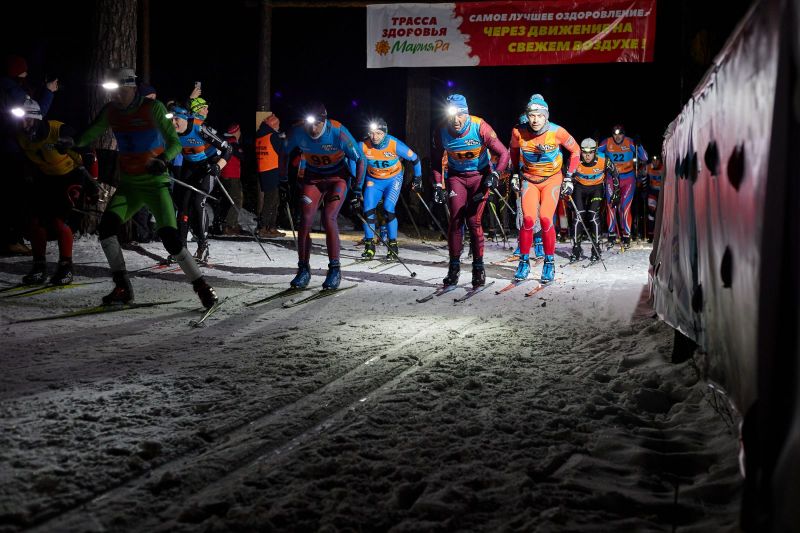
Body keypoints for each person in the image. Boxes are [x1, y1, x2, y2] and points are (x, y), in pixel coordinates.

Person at [75, 67, 217, 309]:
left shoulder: (153, 108)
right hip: (129, 186)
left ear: (131, 88)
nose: (115, 96)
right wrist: (69, 141)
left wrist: (163, 160)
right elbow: (89, 134)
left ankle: (202, 287)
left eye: (119, 91)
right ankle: (122, 287)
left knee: (171, 239)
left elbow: (174, 143)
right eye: (112, 92)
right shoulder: (111, 111)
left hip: (154, 184)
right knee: (106, 229)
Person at [426, 94, 509, 288]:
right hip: (456, 177)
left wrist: (495, 174)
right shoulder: (441, 131)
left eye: (460, 115)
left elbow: (503, 153)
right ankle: (453, 268)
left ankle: (478, 268)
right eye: (451, 115)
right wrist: (438, 185)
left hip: (479, 177)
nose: (456, 120)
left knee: (473, 221)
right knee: (455, 221)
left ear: (467, 113)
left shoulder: (480, 126)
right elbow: (436, 161)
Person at [14, 98, 99, 284]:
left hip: (71, 176)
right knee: (36, 221)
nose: (23, 124)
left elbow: (89, 154)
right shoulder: (21, 135)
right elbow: (26, 158)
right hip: (46, 177)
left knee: (59, 221)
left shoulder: (58, 130)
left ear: (37, 119)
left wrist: (93, 184)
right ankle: (39, 267)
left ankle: (65, 267)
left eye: (27, 119)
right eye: (20, 120)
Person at [281, 101, 365, 289]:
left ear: (324, 121)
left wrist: (358, 189)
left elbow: (360, 159)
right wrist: (283, 180)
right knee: (305, 220)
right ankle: (303, 269)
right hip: (313, 179)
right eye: (308, 124)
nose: (312, 129)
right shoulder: (298, 131)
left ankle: (334, 269)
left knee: (329, 218)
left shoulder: (337, 131)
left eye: (317, 124)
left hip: (337, 179)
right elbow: (284, 153)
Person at [509, 94, 580, 283]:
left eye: (540, 116)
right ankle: (524, 262)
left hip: (551, 179)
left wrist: (569, 177)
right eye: (532, 115)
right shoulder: (518, 131)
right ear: (527, 116)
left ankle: (549, 262)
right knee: (528, 219)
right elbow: (514, 151)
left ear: (546, 116)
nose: (535, 120)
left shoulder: (557, 132)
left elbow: (575, 150)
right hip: (529, 179)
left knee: (546, 218)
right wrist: (514, 173)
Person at [1, 55, 59, 255]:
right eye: (24, 71)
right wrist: (48, 92)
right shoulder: (13, 90)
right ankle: (12, 240)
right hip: (12, 148)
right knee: (16, 195)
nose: (27, 74)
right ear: (18, 72)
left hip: (7, 147)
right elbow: (36, 113)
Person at [171, 105, 232, 262]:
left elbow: (228, 149)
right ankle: (181, 249)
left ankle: (203, 246)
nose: (173, 123)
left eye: (176, 119)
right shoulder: (171, 131)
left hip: (208, 165)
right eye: (171, 120)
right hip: (190, 166)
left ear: (185, 118)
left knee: (198, 202)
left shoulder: (199, 128)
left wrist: (218, 166)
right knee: (183, 205)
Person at [358, 117, 421, 259]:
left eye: (379, 133)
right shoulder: (363, 145)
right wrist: (355, 180)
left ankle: (392, 244)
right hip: (373, 180)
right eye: (372, 133)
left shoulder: (394, 144)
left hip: (393, 180)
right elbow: (351, 158)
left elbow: (415, 159)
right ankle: (369, 245)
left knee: (388, 208)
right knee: (368, 209)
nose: (375, 137)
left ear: (385, 133)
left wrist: (418, 179)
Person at [598, 124, 648, 248]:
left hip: (628, 179)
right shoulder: (607, 142)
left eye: (620, 134)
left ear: (624, 134)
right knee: (611, 206)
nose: (618, 137)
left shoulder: (630, 142)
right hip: (611, 178)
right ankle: (611, 234)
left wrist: (639, 145)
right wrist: (595, 143)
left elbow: (645, 157)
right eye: (615, 134)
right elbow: (594, 155)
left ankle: (626, 235)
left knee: (625, 207)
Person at [569, 138, 619, 262]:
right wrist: (565, 187)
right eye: (584, 152)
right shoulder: (575, 159)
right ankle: (576, 249)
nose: (587, 156)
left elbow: (615, 173)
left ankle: (596, 249)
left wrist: (616, 192)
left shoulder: (604, 159)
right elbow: (566, 175)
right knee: (578, 216)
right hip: (580, 188)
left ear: (595, 152)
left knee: (593, 215)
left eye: (590, 152)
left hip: (596, 188)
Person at [255, 113, 286, 238]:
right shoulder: (273, 136)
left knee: (274, 200)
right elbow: (282, 152)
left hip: (263, 170)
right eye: (277, 125)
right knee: (270, 201)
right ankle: (264, 228)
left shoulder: (260, 135)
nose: (278, 127)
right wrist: (283, 140)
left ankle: (271, 227)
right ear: (273, 125)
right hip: (272, 170)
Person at [220, 123, 245, 235]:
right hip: (232, 175)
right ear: (236, 132)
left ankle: (230, 223)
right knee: (237, 200)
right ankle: (229, 225)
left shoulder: (225, 142)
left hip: (225, 174)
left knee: (229, 200)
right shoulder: (233, 142)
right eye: (239, 131)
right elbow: (242, 156)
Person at [644, 153, 663, 242]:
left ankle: (661, 234)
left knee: (660, 213)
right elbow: (641, 174)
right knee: (651, 212)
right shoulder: (649, 167)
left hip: (662, 193)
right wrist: (643, 187)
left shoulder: (664, 168)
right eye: (653, 160)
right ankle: (651, 235)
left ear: (660, 161)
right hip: (652, 192)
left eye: (657, 160)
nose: (655, 162)